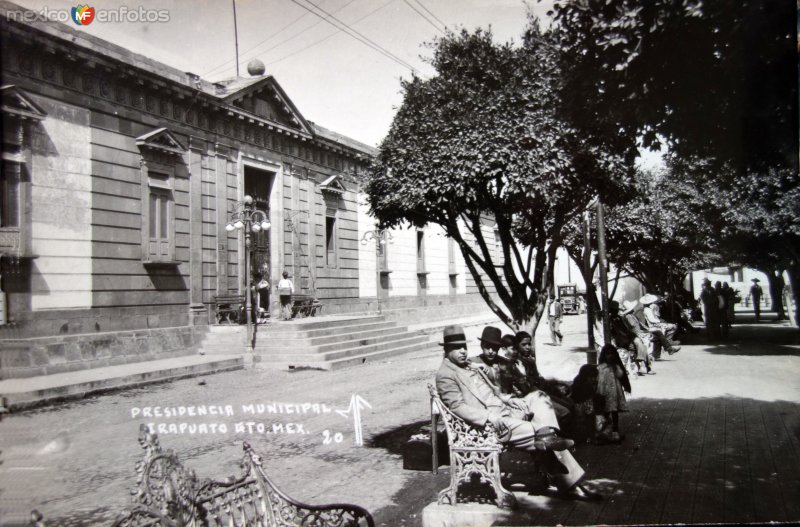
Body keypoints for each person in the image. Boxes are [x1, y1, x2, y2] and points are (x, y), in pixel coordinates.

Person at [435, 325, 602, 501]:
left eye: (464, 347)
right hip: (492, 423)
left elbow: (494, 392)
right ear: (446, 350)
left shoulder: (469, 366)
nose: (462, 351)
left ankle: (548, 436)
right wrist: (489, 417)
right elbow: (457, 408)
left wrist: (508, 399)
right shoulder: (446, 374)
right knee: (539, 431)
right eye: (456, 348)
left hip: (506, 409)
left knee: (539, 397)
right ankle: (572, 483)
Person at [595, 344, 631, 443]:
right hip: (605, 393)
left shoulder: (616, 366)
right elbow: (599, 380)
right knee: (605, 413)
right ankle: (605, 432)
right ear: (604, 355)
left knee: (614, 412)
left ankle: (615, 432)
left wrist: (616, 368)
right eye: (607, 354)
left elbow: (621, 375)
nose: (609, 356)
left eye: (611, 354)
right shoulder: (601, 367)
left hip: (615, 393)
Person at [471, 326, 518, 395]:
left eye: (494, 348)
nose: (490, 351)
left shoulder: (506, 363)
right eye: (487, 347)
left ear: (498, 348)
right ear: (482, 346)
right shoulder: (473, 362)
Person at [608, 300, 649, 376]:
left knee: (640, 342)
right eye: (615, 310)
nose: (617, 311)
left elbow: (627, 329)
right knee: (638, 342)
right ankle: (642, 364)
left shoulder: (620, 318)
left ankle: (644, 364)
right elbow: (619, 331)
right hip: (621, 339)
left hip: (627, 337)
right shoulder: (611, 320)